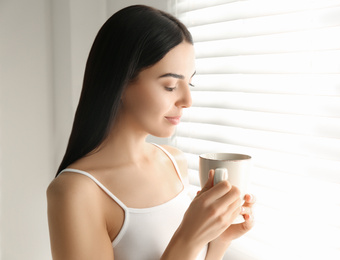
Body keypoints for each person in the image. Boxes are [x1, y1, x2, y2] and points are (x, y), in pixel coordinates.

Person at [47, 5, 255, 260]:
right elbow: (185, 246)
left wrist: (219, 239)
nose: (187, 99)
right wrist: (188, 238)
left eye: (189, 83)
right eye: (170, 86)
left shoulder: (173, 161)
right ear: (120, 82)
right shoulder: (75, 191)